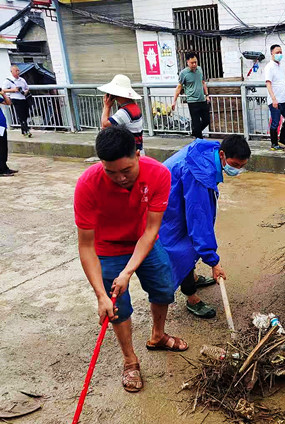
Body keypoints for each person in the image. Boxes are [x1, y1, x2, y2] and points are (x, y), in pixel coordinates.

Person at [74, 126, 188, 394]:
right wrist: (101, 295)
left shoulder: (159, 173)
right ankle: (129, 360)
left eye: (126, 171)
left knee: (163, 288)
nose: (120, 178)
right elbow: (86, 246)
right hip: (107, 247)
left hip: (143, 241)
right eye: (111, 172)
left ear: (137, 154)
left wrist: (128, 271)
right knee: (117, 308)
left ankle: (158, 336)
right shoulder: (88, 184)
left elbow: (151, 230)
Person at [159, 135, 251, 318]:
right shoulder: (199, 174)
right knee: (182, 248)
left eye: (242, 166)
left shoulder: (209, 153)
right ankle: (191, 296)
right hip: (166, 206)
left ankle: (192, 277)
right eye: (235, 164)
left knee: (190, 239)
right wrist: (213, 262)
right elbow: (199, 221)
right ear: (223, 154)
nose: (237, 170)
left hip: (174, 194)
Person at [98, 74, 145, 155]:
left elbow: (105, 125)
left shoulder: (125, 112)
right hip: (136, 150)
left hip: (130, 154)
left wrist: (107, 106)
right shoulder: (133, 107)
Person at [172, 53, 210, 139]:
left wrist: (207, 95)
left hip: (202, 99)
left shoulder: (199, 69)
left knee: (206, 120)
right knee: (196, 123)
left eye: (195, 62)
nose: (194, 64)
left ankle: (195, 132)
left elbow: (203, 82)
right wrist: (174, 101)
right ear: (187, 62)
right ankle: (199, 140)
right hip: (192, 101)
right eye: (192, 63)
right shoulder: (183, 73)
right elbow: (179, 87)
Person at [265, 44, 285, 151]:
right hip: (275, 101)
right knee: (275, 122)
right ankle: (274, 143)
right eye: (277, 52)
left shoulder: (280, 66)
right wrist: (273, 99)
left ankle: (283, 139)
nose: (279, 54)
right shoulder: (269, 67)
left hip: (284, 100)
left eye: (281, 52)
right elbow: (268, 84)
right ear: (272, 53)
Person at [3, 65, 31, 138]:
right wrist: (13, 90)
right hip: (15, 99)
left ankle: (24, 130)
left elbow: (27, 88)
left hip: (23, 98)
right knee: (21, 115)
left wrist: (25, 92)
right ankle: (26, 131)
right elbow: (3, 90)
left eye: (18, 70)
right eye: (16, 71)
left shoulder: (22, 79)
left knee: (25, 115)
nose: (18, 72)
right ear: (12, 72)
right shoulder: (8, 81)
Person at [0, 87, 15, 176]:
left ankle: (4, 167)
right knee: (1, 147)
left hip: (2, 125)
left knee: (3, 147)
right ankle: (1, 170)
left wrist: (3, 94)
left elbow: (8, 103)